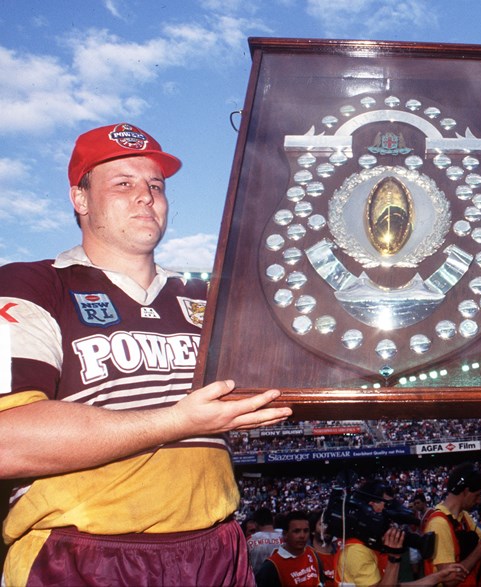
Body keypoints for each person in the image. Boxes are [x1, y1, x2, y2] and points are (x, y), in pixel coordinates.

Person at [0, 122, 292, 586]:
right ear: (80, 199)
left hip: (215, 549)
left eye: (155, 185)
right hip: (81, 553)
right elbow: (7, 441)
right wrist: (177, 421)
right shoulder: (27, 284)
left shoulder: (212, 296)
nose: (145, 196)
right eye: (123, 183)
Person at [334, 480, 466, 587]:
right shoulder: (356, 550)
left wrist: (439, 576)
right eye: (386, 505)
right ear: (371, 506)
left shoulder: (371, 543)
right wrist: (394, 558)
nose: (390, 512)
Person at [421, 463, 481, 586]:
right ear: (466, 491)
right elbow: (450, 579)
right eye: (477, 495)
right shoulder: (439, 523)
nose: (479, 500)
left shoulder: (463, 516)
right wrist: (480, 549)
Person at [255, 510, 323, 587]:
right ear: (285, 534)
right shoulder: (272, 566)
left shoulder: (313, 554)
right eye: (296, 531)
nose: (302, 535)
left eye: (305, 531)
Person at [248, 507, 285, 573]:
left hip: (257, 580)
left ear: (256, 524)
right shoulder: (287, 538)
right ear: (272, 521)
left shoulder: (249, 540)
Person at [309, 509, 338, 586]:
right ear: (312, 530)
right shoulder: (308, 557)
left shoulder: (342, 553)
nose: (327, 528)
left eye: (329, 524)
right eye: (322, 524)